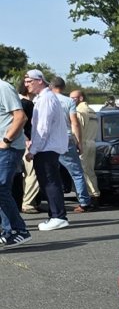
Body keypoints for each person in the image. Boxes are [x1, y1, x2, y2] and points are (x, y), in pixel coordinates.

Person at [24, 69, 70, 230]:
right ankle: (55, 215)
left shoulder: (46, 99)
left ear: (39, 81)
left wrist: (33, 150)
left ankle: (58, 216)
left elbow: (42, 128)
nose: (26, 84)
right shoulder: (43, 98)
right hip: (47, 147)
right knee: (48, 181)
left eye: (29, 81)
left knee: (50, 182)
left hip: (46, 148)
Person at [50, 76, 93, 211]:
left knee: (51, 173)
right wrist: (79, 142)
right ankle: (84, 202)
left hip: (49, 140)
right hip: (66, 138)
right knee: (76, 173)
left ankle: (55, 203)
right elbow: (75, 123)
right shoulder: (69, 101)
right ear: (63, 87)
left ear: (51, 86)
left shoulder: (44, 100)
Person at [0, 76, 32, 247]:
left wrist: (6, 140)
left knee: (1, 187)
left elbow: (21, 117)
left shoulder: (3, 88)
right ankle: (7, 231)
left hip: (8, 147)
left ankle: (19, 230)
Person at [70, 88, 99, 203]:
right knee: (90, 171)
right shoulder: (92, 111)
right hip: (92, 142)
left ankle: (89, 197)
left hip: (83, 143)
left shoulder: (79, 112)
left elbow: (77, 129)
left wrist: (77, 144)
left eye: (73, 98)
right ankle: (95, 194)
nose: (71, 101)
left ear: (81, 98)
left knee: (82, 171)